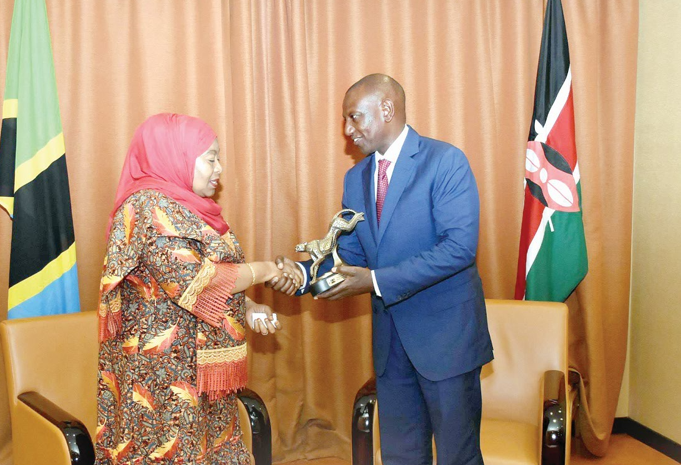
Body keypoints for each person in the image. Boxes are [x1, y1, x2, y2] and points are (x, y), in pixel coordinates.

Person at [273, 74, 494, 465]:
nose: (347, 130)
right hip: (391, 348)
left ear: (387, 109)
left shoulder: (444, 162)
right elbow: (351, 253)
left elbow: (458, 249)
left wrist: (375, 281)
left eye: (354, 118)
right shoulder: (356, 178)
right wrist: (303, 275)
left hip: (446, 343)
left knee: (457, 456)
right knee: (400, 456)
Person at [96, 113, 301, 464]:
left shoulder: (189, 207)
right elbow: (197, 282)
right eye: (210, 158)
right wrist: (267, 270)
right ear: (175, 156)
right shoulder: (148, 208)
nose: (219, 168)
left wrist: (247, 307)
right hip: (161, 385)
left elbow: (211, 271)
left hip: (203, 373)